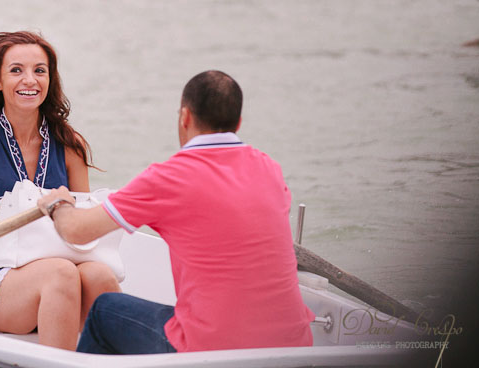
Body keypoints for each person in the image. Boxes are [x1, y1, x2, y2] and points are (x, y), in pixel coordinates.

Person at [38, 70, 314, 354]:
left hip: (212, 350)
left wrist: (59, 204)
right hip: (294, 346)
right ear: (238, 123)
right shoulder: (270, 169)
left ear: (184, 117)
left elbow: (77, 231)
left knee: (105, 310)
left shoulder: (169, 177)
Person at [0, 31, 120, 350]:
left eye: (40, 70)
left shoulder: (69, 144)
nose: (30, 80)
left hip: (55, 270)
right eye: (16, 70)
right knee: (61, 274)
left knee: (100, 276)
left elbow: (83, 232)